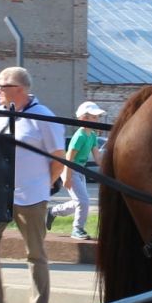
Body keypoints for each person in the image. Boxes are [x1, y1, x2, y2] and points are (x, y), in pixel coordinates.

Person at [0, 66, 65, 303]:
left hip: (32, 196)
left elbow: (58, 158)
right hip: (1, 195)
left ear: (19, 89)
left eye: (2, 85)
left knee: (35, 253)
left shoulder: (43, 116)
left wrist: (44, 184)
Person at [48, 100, 106, 239]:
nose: (97, 120)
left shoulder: (92, 135)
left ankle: (53, 212)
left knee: (79, 202)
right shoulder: (79, 136)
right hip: (70, 170)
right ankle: (77, 229)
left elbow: (97, 157)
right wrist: (67, 178)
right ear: (84, 118)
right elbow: (69, 158)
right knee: (83, 202)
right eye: (94, 117)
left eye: (97, 117)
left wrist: (107, 170)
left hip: (80, 172)